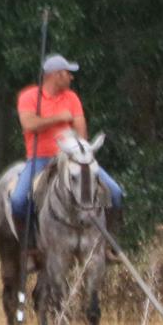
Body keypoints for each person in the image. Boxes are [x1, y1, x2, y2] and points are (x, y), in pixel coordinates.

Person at [9, 54, 125, 224]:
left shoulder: (72, 97)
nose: (71, 77)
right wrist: (58, 118)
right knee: (18, 201)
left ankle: (107, 241)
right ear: (56, 75)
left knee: (114, 192)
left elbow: (81, 131)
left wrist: (78, 150)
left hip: (73, 157)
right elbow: (28, 124)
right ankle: (31, 243)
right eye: (67, 73)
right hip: (40, 158)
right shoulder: (29, 96)